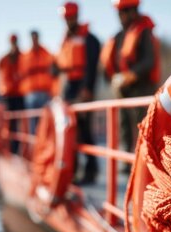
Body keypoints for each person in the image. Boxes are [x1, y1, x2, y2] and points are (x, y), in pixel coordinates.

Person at [100, 0, 160, 172]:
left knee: (144, 127)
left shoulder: (144, 32)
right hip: (123, 91)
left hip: (141, 89)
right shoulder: (119, 36)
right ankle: (127, 164)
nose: (120, 16)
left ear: (133, 11)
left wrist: (129, 76)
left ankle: (146, 166)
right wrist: (115, 79)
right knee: (124, 126)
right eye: (119, 13)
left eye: (123, 12)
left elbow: (149, 61)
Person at [56, 1, 101, 184]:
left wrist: (87, 89)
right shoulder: (66, 39)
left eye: (71, 18)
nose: (68, 21)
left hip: (83, 88)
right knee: (70, 131)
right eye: (66, 18)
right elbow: (60, 65)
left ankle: (91, 170)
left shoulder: (89, 39)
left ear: (76, 16)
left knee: (84, 131)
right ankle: (72, 171)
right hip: (69, 88)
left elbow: (91, 66)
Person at [20, 30, 55, 134]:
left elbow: (53, 71)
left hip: (45, 92)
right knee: (32, 122)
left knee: (44, 122)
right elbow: (22, 74)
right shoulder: (26, 56)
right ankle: (34, 146)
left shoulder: (46, 53)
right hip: (31, 93)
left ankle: (43, 144)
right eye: (33, 37)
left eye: (36, 37)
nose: (34, 39)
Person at [0, 34, 25, 153]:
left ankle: (18, 148)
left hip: (20, 93)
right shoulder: (4, 59)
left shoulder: (22, 57)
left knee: (20, 121)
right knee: (10, 122)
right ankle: (10, 148)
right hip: (8, 94)